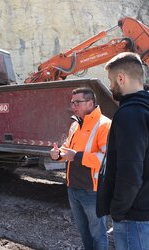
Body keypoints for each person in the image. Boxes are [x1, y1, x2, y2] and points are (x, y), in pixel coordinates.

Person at [96, 52, 149, 249]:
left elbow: (130, 174)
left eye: (111, 81)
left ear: (121, 78)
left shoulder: (130, 113)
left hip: (139, 219)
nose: (111, 87)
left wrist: (118, 212)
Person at [50, 87, 111, 250]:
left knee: (98, 233)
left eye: (77, 102)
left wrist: (77, 156)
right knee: (84, 232)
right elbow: (66, 148)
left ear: (90, 103)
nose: (73, 105)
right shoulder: (75, 125)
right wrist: (58, 154)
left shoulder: (104, 125)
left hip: (93, 191)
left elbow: (107, 159)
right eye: (72, 102)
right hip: (73, 188)